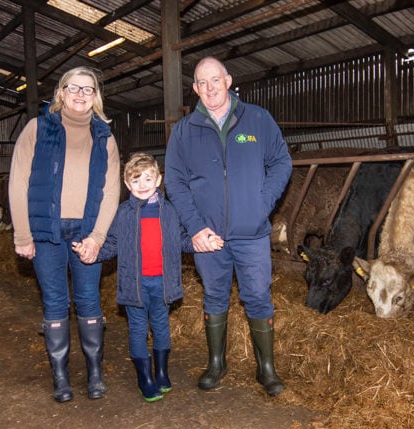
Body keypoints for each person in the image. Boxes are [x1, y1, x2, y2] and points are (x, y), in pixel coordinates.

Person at [164, 56, 293, 397]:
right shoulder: (184, 131)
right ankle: (216, 363)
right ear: (195, 89)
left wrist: (262, 203)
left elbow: (281, 161)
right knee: (215, 296)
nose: (209, 89)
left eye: (215, 80)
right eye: (202, 83)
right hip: (209, 237)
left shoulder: (258, 119)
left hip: (251, 234)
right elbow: (174, 182)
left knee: (258, 297)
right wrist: (194, 227)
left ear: (228, 80)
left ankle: (267, 369)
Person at [8, 66, 121, 403]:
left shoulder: (104, 136)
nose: (81, 94)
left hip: (86, 231)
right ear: (61, 92)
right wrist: (22, 234)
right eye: (74, 87)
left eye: (88, 89)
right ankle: (60, 377)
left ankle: (95, 373)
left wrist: (98, 237)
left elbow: (111, 189)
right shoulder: (37, 129)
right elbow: (18, 182)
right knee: (55, 301)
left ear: (95, 97)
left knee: (88, 300)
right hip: (47, 232)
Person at [74, 152, 220, 402]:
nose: (142, 185)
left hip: (162, 283)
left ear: (158, 179)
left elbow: (182, 240)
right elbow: (112, 244)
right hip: (135, 285)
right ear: (127, 184)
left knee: (162, 326)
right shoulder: (123, 214)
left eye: (148, 179)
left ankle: (161, 371)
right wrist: (92, 254)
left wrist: (202, 244)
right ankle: (144, 376)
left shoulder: (170, 212)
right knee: (139, 329)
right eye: (136, 180)